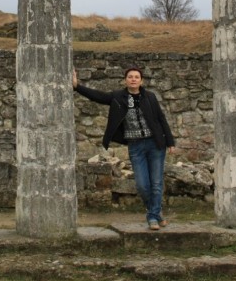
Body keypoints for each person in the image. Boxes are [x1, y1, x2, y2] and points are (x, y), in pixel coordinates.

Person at [73, 66, 176, 230]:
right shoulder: (117, 97)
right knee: (142, 185)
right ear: (125, 80)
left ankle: (152, 217)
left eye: (136, 77)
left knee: (156, 183)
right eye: (130, 77)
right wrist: (77, 86)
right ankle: (156, 213)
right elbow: (98, 97)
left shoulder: (150, 97)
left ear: (141, 81)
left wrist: (170, 142)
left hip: (155, 144)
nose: (133, 79)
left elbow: (161, 119)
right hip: (136, 146)